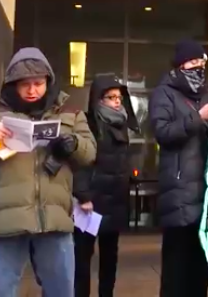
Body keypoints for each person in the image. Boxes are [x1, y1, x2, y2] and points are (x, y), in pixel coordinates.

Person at [0, 47, 97, 297]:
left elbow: (89, 154)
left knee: (62, 291)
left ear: (48, 82)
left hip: (55, 219)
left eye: (38, 83)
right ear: (12, 84)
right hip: (6, 221)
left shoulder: (70, 113)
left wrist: (73, 144)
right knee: (1, 291)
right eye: (25, 84)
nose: (32, 90)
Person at [151, 40, 208, 297]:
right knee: (176, 272)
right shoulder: (164, 93)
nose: (199, 68)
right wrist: (197, 118)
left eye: (202, 63)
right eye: (193, 63)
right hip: (178, 194)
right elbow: (163, 132)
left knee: (199, 272)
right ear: (180, 66)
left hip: (206, 195)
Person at [73, 75, 139, 297]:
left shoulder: (122, 123)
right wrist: (83, 195)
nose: (117, 102)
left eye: (119, 97)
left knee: (110, 257)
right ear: (99, 100)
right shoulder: (88, 123)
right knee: (82, 256)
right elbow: (80, 161)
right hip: (91, 202)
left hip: (115, 200)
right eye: (111, 97)